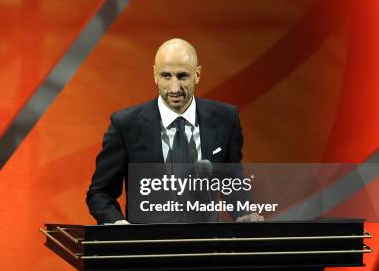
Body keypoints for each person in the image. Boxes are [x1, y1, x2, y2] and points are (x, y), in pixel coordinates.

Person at [86, 38, 263, 224]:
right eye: (166, 76)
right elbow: (100, 193)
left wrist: (246, 213)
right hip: (149, 248)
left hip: (206, 247)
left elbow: (232, 183)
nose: (174, 87)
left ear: (197, 74)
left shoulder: (226, 119)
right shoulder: (126, 124)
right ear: (155, 75)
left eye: (182, 76)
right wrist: (116, 223)